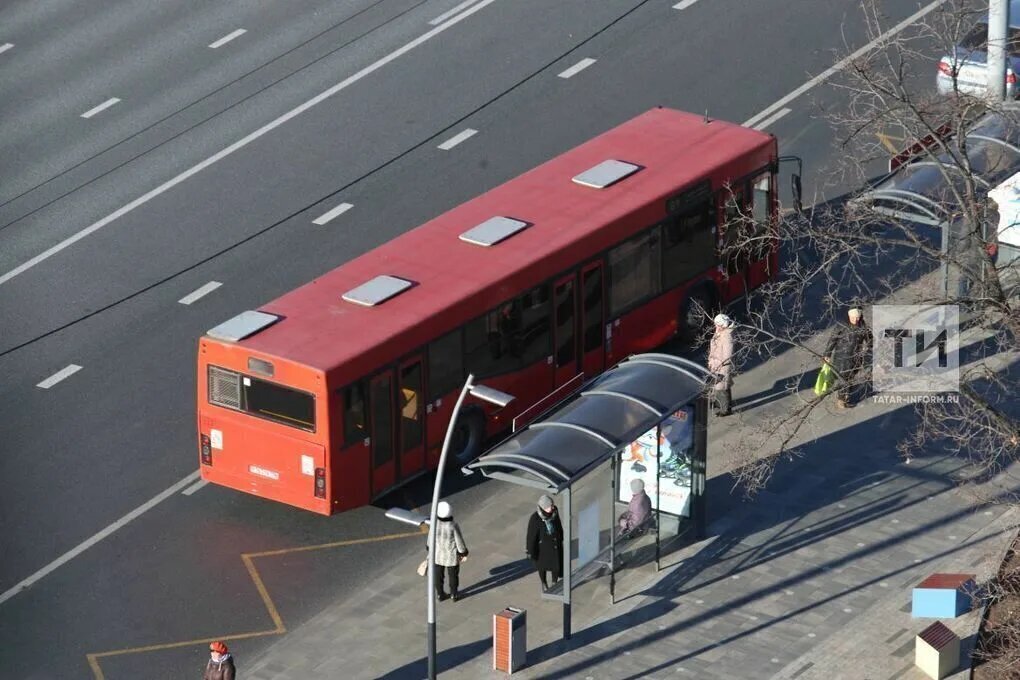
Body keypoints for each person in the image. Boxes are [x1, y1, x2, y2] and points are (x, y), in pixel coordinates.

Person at [823, 307, 871, 408]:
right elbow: (833, 340)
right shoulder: (842, 325)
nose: (855, 320)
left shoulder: (863, 327)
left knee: (850, 377)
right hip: (842, 357)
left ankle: (846, 394)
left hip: (855, 358)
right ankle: (841, 400)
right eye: (853, 317)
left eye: (857, 317)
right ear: (849, 316)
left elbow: (870, 340)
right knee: (843, 378)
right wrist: (827, 354)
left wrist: (868, 349)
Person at [427, 500, 468, 602]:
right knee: (453, 576)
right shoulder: (452, 525)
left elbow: (430, 538)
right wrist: (463, 552)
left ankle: (440, 594)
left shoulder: (434, 523)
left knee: (438, 576)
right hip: (451, 555)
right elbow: (459, 540)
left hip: (437, 555)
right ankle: (454, 594)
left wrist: (429, 547)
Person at [526, 495, 564, 592]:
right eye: (550, 506)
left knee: (556, 565)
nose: (552, 507)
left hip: (554, 544)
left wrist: (561, 537)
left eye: (552, 505)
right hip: (542, 548)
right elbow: (531, 537)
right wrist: (530, 551)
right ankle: (544, 583)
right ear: (543, 507)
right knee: (542, 567)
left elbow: (558, 524)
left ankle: (554, 582)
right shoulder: (535, 518)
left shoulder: (554, 512)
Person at [708, 314, 735, 416]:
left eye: (717, 325)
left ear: (722, 325)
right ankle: (720, 404)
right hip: (716, 365)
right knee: (720, 386)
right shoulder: (720, 332)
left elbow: (728, 355)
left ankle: (725, 410)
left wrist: (722, 369)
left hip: (722, 366)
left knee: (722, 387)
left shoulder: (727, 337)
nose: (715, 326)